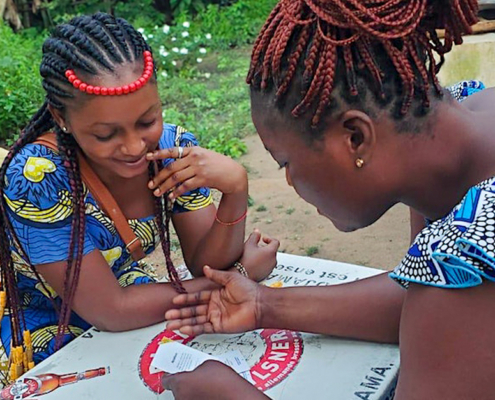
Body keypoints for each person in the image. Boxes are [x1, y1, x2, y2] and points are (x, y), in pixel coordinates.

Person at [162, 0, 495, 399]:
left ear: (355, 137)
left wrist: (232, 395)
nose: (288, 181)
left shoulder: (468, 247)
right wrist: (264, 305)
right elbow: (424, 305)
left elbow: (450, 307)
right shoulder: (462, 130)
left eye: (286, 162)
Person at [0, 12, 279, 383]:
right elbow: (111, 310)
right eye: (105, 134)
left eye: (147, 122)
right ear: (61, 118)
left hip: (136, 304)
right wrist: (241, 276)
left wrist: (234, 191)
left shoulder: (170, 152)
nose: (134, 147)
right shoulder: (39, 179)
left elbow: (205, 264)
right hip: (44, 324)